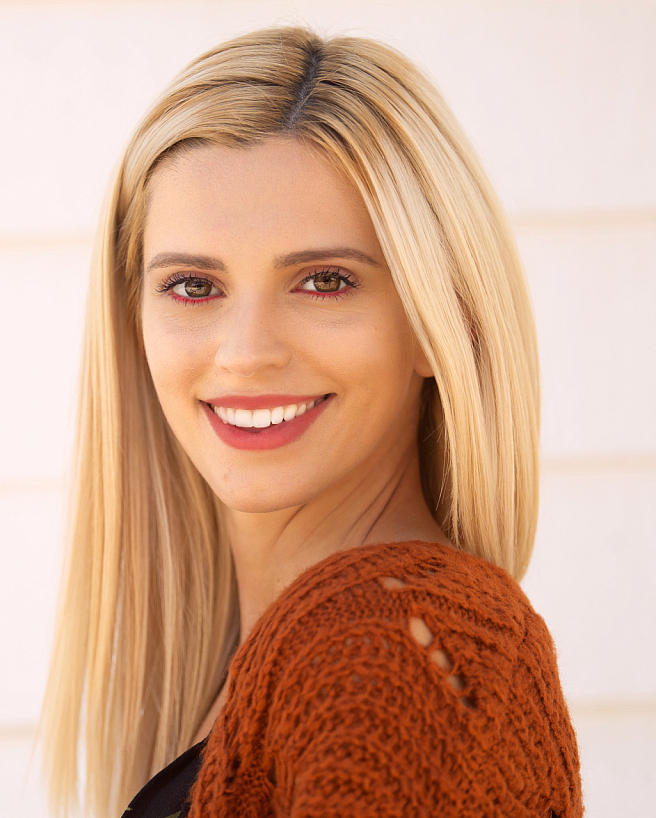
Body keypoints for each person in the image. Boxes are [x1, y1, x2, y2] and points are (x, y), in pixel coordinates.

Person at [40, 25, 582, 818]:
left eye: (325, 281)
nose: (246, 354)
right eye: (193, 287)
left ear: (444, 325)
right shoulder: (313, 654)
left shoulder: (391, 659)